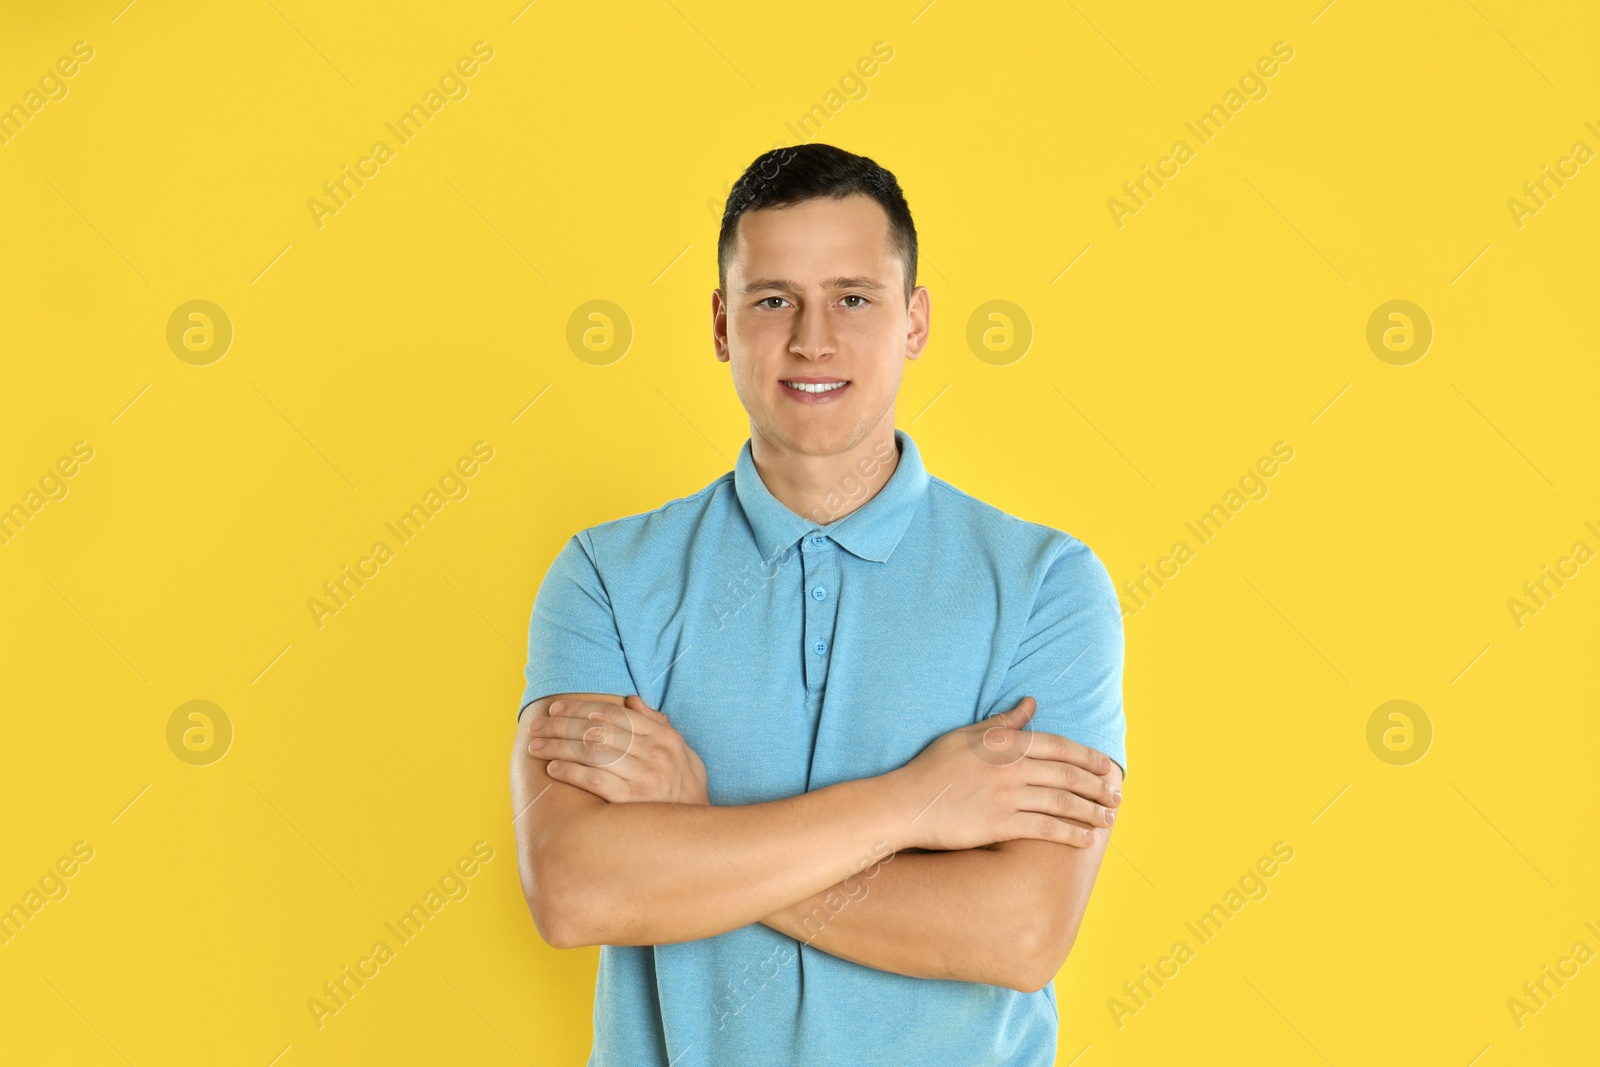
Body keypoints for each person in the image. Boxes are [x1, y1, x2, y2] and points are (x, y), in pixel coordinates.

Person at [510, 142, 1127, 1067]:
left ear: (913, 321)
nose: (812, 340)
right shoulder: (604, 575)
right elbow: (575, 890)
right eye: (773, 301)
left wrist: (697, 824)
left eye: (852, 297)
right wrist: (917, 803)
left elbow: (1019, 932)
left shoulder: (1048, 583)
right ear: (722, 323)